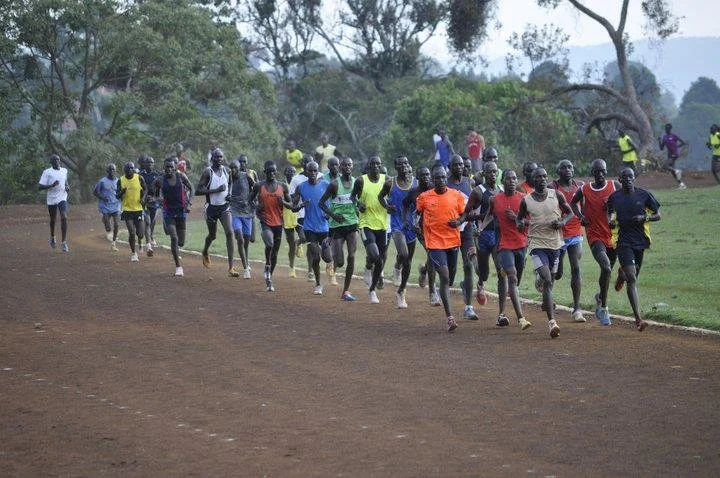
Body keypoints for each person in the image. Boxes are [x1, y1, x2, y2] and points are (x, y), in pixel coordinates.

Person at [516, 167, 573, 339]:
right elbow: (519, 218)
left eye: (544, 176)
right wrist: (519, 224)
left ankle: (541, 283)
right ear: (532, 180)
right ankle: (552, 323)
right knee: (548, 280)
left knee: (551, 280)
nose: (542, 179)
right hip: (536, 244)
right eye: (538, 177)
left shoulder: (556, 195)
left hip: (555, 244)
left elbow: (569, 213)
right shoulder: (526, 200)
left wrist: (562, 222)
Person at [606, 168, 660, 332]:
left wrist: (645, 217)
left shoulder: (644, 195)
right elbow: (609, 213)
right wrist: (610, 221)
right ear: (620, 179)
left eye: (630, 176)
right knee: (632, 279)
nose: (628, 179)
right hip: (623, 241)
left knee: (632, 276)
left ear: (634, 178)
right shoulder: (614, 197)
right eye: (624, 177)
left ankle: (621, 273)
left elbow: (658, 214)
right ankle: (638, 319)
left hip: (640, 241)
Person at [477, 170, 532, 330]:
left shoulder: (523, 199)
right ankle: (519, 318)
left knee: (516, 281)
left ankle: (504, 310)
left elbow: (530, 222)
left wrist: (515, 218)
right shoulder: (496, 199)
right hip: (504, 245)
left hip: (521, 244)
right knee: (512, 278)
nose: (512, 181)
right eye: (508, 179)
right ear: (503, 181)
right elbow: (488, 215)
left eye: (514, 178)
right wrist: (481, 228)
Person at [570, 158, 622, 326]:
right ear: (592, 173)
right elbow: (572, 203)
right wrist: (581, 217)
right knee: (606, 267)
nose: (599, 174)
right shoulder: (585, 189)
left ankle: (600, 297)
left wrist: (613, 207)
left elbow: (624, 201)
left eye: (602, 171)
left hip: (612, 235)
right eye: (596, 171)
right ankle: (604, 308)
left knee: (607, 272)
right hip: (595, 236)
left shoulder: (615, 186)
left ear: (606, 171)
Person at [416, 165, 467, 332]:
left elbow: (464, 213)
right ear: (433, 180)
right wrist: (415, 224)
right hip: (434, 242)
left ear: (447, 178)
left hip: (452, 241)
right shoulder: (424, 197)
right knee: (444, 277)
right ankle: (450, 318)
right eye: (437, 178)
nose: (441, 181)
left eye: (444, 177)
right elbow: (416, 213)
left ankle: (429, 274)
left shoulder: (456, 196)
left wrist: (459, 222)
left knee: (450, 279)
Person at [549, 159, 586, 323]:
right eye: (563, 167)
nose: (567, 170)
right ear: (558, 171)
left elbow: (583, 206)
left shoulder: (580, 186)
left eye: (570, 167)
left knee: (576, 269)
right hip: (558, 234)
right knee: (557, 274)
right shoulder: (552, 187)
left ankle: (577, 309)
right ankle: (542, 278)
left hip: (576, 232)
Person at [378, 155, 417, 309]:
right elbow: (380, 197)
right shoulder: (390, 183)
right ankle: (396, 266)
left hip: (411, 226)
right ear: (396, 167)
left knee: (408, 262)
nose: (404, 166)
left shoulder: (415, 183)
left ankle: (401, 292)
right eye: (400, 164)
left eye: (406, 163)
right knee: (403, 254)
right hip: (396, 225)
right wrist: (387, 206)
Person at [464, 160, 502, 313]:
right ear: (484, 174)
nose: (493, 174)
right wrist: (481, 218)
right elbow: (466, 214)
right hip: (482, 234)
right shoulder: (478, 191)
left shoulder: (501, 190)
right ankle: (479, 279)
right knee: (484, 273)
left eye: (495, 172)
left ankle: (501, 312)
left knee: (501, 269)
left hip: (498, 235)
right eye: (490, 172)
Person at [249, 160, 293, 291]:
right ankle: (267, 263)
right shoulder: (258, 186)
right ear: (265, 172)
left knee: (275, 253)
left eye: (273, 171)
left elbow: (290, 205)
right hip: (265, 222)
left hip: (278, 223)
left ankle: (269, 278)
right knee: (270, 244)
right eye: (269, 171)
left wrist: (283, 201)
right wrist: (257, 208)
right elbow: (249, 200)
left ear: (276, 172)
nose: (271, 174)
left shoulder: (283, 186)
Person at [320, 156, 360, 301]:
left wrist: (359, 208)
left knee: (351, 256)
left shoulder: (357, 182)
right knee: (340, 261)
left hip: (352, 224)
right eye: (344, 165)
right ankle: (331, 260)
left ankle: (346, 291)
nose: (347, 167)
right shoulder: (334, 185)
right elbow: (321, 203)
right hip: (337, 226)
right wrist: (333, 216)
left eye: (350, 165)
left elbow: (357, 201)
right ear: (340, 168)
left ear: (352, 166)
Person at [195, 148, 240, 278]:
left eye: (221, 157)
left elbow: (230, 184)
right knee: (212, 235)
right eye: (216, 157)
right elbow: (198, 191)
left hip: (224, 207)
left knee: (230, 232)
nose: (219, 159)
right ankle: (205, 251)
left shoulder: (227, 171)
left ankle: (231, 267)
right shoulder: (208, 172)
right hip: (211, 208)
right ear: (212, 159)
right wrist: (216, 190)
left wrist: (230, 194)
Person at [351, 155, 389, 304]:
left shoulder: (386, 180)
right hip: (366, 224)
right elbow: (353, 196)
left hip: (382, 224)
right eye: (373, 164)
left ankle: (372, 288)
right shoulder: (361, 180)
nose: (376, 166)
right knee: (375, 254)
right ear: (368, 166)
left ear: (380, 166)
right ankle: (369, 267)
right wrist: (357, 204)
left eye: (378, 164)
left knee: (380, 259)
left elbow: (392, 196)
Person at [447, 154, 479, 320]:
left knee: (468, 265)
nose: (460, 167)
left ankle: (469, 306)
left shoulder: (470, 182)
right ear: (450, 166)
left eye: (461, 165)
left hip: (466, 230)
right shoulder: (445, 183)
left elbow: (476, 205)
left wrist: (474, 215)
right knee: (450, 276)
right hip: (449, 232)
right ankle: (454, 283)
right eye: (456, 165)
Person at [293, 161, 333, 295]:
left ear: (318, 171)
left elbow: (334, 202)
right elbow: (294, 208)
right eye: (310, 171)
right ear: (306, 172)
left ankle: (328, 258)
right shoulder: (301, 187)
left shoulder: (326, 185)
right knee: (315, 257)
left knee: (327, 258)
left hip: (325, 227)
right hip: (309, 227)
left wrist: (329, 214)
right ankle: (318, 284)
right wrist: (302, 204)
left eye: (315, 171)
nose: (313, 173)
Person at [402, 167, 439, 306]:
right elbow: (405, 205)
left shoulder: (435, 187)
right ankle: (432, 293)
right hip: (421, 229)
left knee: (433, 256)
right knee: (432, 254)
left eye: (428, 174)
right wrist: (406, 220)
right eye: (422, 175)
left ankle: (424, 270)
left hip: (436, 228)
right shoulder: (413, 192)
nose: (425, 177)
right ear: (417, 177)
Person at [154, 157, 193, 276]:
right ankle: (178, 267)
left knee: (181, 242)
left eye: (171, 167)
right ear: (163, 168)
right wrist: (156, 199)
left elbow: (192, 188)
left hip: (181, 211)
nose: (169, 169)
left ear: (175, 167)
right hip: (168, 212)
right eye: (167, 167)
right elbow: (153, 193)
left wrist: (189, 203)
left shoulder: (181, 177)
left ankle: (170, 233)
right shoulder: (160, 180)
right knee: (174, 238)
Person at [289, 155, 320, 281]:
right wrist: (300, 203)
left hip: (316, 215)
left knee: (313, 244)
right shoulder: (296, 179)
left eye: (312, 165)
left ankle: (310, 269)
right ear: (303, 165)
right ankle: (310, 271)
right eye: (307, 164)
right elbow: (292, 197)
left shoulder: (320, 176)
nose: (311, 169)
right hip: (302, 215)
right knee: (308, 241)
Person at [228, 158, 255, 278]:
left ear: (239, 168)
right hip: (234, 211)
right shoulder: (228, 179)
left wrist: (252, 200)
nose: (233, 170)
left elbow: (255, 187)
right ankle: (245, 269)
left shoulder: (246, 176)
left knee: (247, 240)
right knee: (240, 238)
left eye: (235, 168)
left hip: (247, 212)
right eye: (231, 168)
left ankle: (246, 260)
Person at [38, 154, 70, 252]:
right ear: (51, 162)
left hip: (62, 196)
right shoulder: (47, 172)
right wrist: (52, 185)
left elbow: (65, 181)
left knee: (64, 217)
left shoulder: (64, 170)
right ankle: (52, 236)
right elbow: (40, 187)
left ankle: (64, 243)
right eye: (54, 160)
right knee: (53, 219)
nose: (57, 161)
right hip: (51, 198)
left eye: (58, 159)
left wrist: (67, 187)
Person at [117, 161, 147, 262]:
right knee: (132, 232)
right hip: (127, 210)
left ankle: (140, 241)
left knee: (140, 233)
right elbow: (117, 195)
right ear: (125, 170)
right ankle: (134, 253)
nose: (130, 170)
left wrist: (143, 198)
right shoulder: (121, 180)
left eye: (132, 168)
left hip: (138, 209)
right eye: (128, 168)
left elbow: (146, 189)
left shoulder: (139, 177)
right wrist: (122, 192)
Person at [92, 164, 121, 252]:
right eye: (110, 169)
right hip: (105, 206)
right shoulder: (102, 181)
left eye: (113, 169)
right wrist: (102, 197)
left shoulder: (119, 181)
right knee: (108, 228)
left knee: (116, 224)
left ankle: (113, 243)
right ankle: (105, 220)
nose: (112, 171)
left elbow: (120, 191)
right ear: (107, 171)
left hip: (115, 205)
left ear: (115, 171)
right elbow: (95, 192)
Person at [282, 166, 303, 278]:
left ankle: (298, 243)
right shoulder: (282, 186)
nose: (291, 173)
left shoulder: (298, 185)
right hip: (287, 217)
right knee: (290, 245)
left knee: (304, 237)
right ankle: (292, 268)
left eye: (293, 172)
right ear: (285, 173)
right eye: (289, 171)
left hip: (298, 215)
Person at [139, 155, 162, 255]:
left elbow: (160, 190)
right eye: (148, 162)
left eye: (152, 162)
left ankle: (150, 235)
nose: (150, 164)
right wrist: (141, 198)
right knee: (147, 221)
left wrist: (155, 198)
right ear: (145, 164)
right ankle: (148, 245)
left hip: (154, 202)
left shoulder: (157, 174)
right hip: (143, 202)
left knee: (152, 222)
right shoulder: (140, 175)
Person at [658, 123, 687, 189]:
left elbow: (683, 143)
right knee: (672, 171)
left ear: (670, 129)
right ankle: (682, 185)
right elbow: (661, 148)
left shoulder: (674, 136)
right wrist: (659, 141)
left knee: (665, 166)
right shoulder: (665, 137)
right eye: (666, 128)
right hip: (669, 155)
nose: (667, 130)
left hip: (675, 154)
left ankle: (677, 171)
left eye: (668, 128)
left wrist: (676, 147)